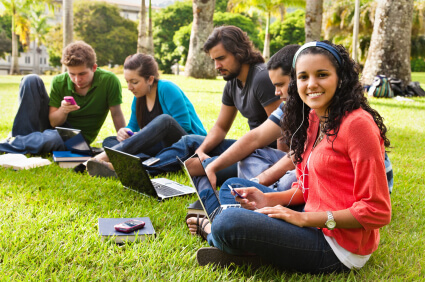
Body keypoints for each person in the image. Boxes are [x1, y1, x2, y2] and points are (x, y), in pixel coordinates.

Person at [187, 41, 392, 273]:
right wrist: (269, 200)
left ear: (341, 77)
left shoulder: (357, 125)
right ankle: (248, 248)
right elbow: (309, 188)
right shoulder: (316, 117)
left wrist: (303, 219)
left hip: (338, 246)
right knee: (233, 187)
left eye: (322, 74)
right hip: (310, 220)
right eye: (303, 77)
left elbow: (377, 211)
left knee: (228, 223)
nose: (312, 84)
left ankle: (212, 231)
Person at [139, 25, 281, 181]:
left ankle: (144, 169)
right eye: (214, 60)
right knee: (190, 142)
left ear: (239, 53)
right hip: (251, 149)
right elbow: (221, 127)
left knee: (195, 167)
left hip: (267, 156)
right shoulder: (232, 84)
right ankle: (143, 169)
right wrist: (201, 150)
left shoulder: (262, 78)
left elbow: (280, 132)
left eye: (221, 58)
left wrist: (280, 172)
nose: (216, 66)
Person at [83, 53, 207, 177]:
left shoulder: (166, 88)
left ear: (150, 79)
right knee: (110, 141)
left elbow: (184, 126)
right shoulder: (139, 97)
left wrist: (146, 137)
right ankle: (145, 163)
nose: (129, 87)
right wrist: (125, 132)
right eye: (127, 82)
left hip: (189, 147)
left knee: (165, 121)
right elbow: (132, 126)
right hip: (161, 150)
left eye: (134, 82)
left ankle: (106, 157)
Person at [0, 41, 125, 154]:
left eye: (82, 74)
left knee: (55, 138)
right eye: (72, 74)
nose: (77, 79)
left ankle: (10, 145)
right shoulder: (59, 81)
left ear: (94, 67)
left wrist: (124, 144)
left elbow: (116, 114)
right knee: (30, 80)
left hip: (77, 139)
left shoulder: (109, 81)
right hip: (53, 128)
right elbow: (54, 123)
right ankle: (22, 138)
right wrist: (63, 110)